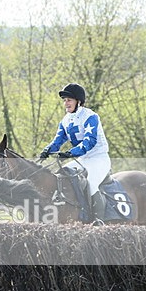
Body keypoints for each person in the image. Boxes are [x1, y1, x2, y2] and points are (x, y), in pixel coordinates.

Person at [38, 83, 111, 225]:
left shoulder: (91, 116)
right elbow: (57, 141)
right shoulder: (65, 121)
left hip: (99, 159)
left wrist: (70, 153)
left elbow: (89, 142)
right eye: (64, 100)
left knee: (91, 184)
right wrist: (47, 150)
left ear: (78, 101)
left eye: (69, 100)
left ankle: (99, 221)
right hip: (82, 160)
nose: (66, 103)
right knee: (60, 175)